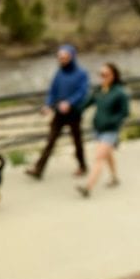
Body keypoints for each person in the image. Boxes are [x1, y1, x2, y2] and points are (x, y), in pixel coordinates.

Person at [26, 44, 90, 179]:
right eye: (60, 58)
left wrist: (69, 103)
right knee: (51, 140)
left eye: (65, 57)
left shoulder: (82, 74)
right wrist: (48, 105)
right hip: (59, 114)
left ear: (72, 57)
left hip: (74, 114)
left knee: (77, 141)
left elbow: (82, 92)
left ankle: (83, 166)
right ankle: (38, 169)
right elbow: (53, 92)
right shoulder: (59, 73)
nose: (62, 60)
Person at [76, 62, 130, 198]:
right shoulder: (99, 90)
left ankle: (87, 187)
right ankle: (115, 178)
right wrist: (74, 110)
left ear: (114, 75)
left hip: (110, 130)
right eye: (101, 75)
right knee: (107, 155)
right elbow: (86, 103)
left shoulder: (120, 93)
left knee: (99, 157)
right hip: (98, 128)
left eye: (106, 74)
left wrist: (112, 122)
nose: (103, 77)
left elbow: (125, 113)